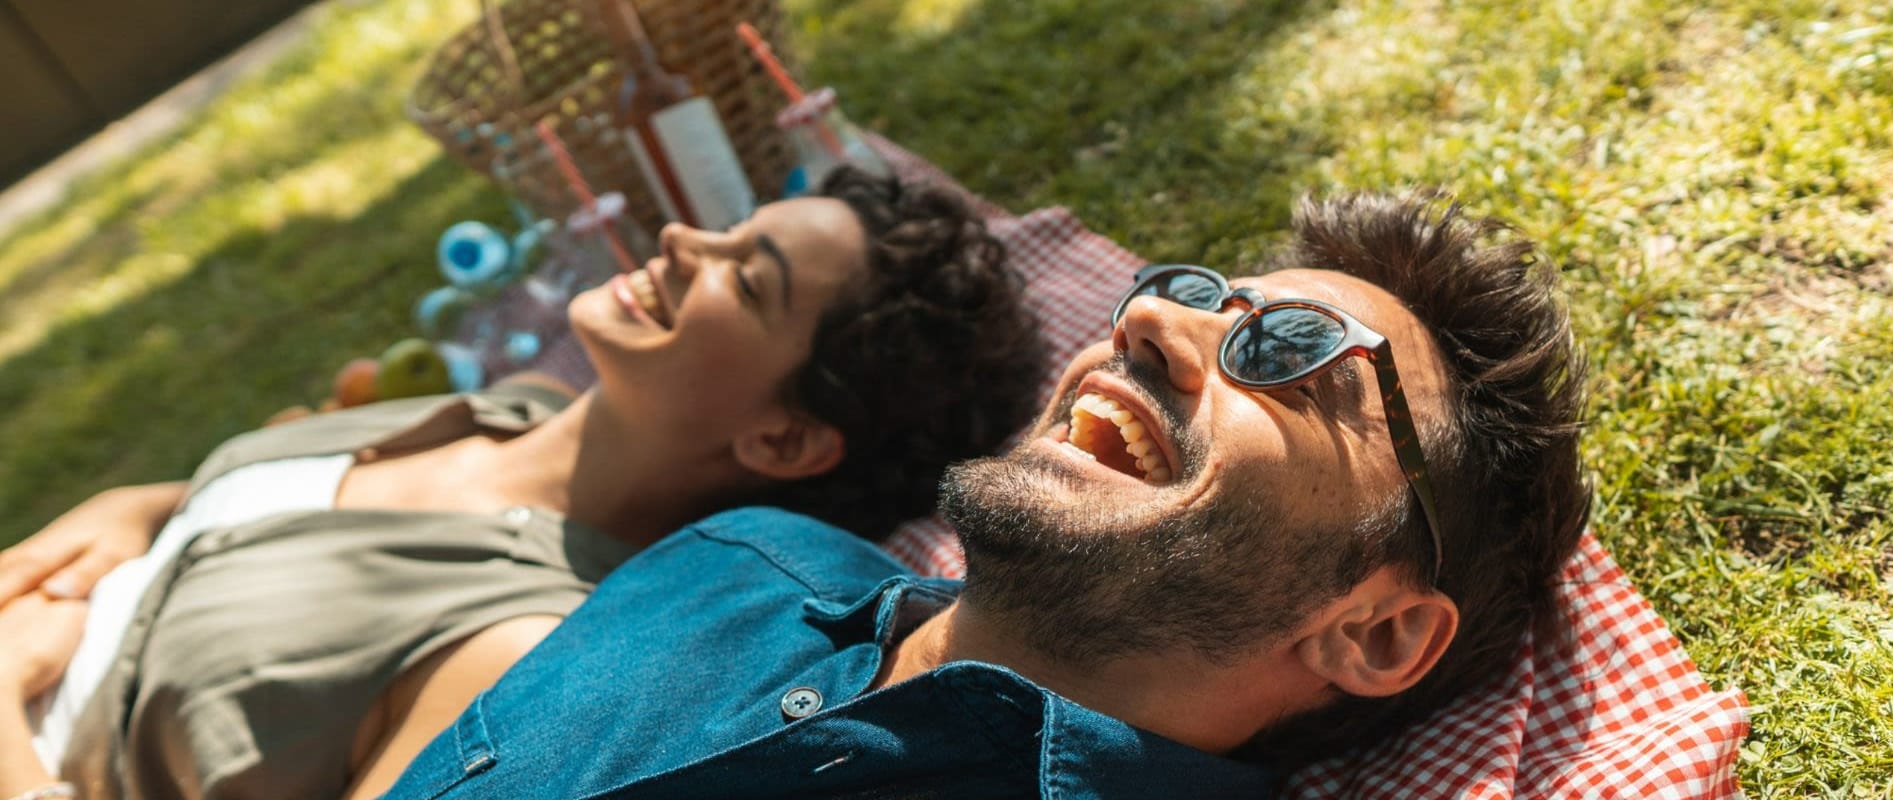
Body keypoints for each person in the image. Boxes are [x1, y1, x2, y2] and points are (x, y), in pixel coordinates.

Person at [359, 189, 1595, 799]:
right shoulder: (736, 555)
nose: (1149, 317)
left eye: (1286, 353)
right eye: (1192, 290)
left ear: (1372, 629)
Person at [0, 167, 1045, 800]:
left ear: (781, 437)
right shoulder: (513, 403)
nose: (681, 239)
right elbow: (241, 504)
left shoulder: (522, 646)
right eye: (730, 227)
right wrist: (133, 505)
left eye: (746, 275)